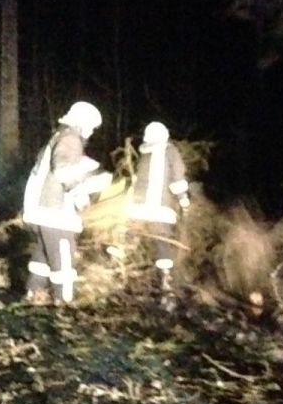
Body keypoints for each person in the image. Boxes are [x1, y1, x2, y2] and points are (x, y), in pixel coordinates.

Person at [23, 101, 108, 305]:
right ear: (82, 123)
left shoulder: (58, 137)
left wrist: (81, 195)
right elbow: (64, 173)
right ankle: (64, 304)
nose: (91, 132)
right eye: (91, 127)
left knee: (43, 255)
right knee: (63, 258)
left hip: (41, 211)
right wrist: (92, 179)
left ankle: (34, 294)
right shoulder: (70, 139)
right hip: (55, 213)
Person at [125, 121, 190, 295]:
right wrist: (183, 200)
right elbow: (178, 179)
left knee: (132, 238)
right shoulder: (170, 151)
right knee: (162, 243)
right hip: (159, 208)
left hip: (138, 208)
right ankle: (165, 281)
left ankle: (121, 272)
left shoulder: (144, 153)